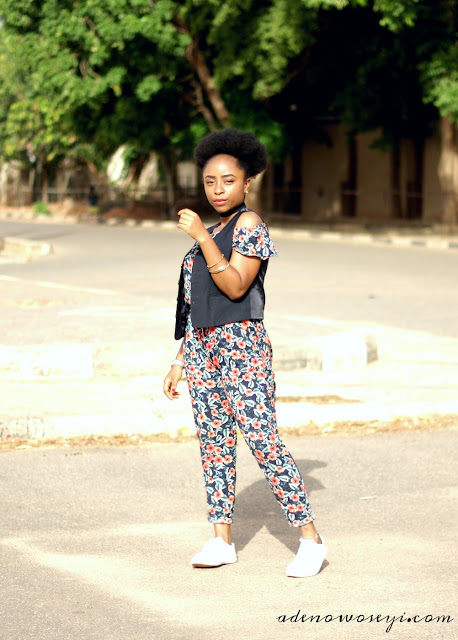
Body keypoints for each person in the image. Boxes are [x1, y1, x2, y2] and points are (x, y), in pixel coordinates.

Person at [163, 128, 327, 577]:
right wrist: (179, 360)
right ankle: (221, 540)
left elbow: (235, 286)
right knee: (214, 445)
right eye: (210, 181)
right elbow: (197, 305)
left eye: (228, 180)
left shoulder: (248, 225)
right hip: (202, 351)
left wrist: (201, 237)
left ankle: (311, 540)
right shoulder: (213, 231)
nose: (218, 189)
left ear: (247, 182)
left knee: (262, 440)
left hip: (242, 348)